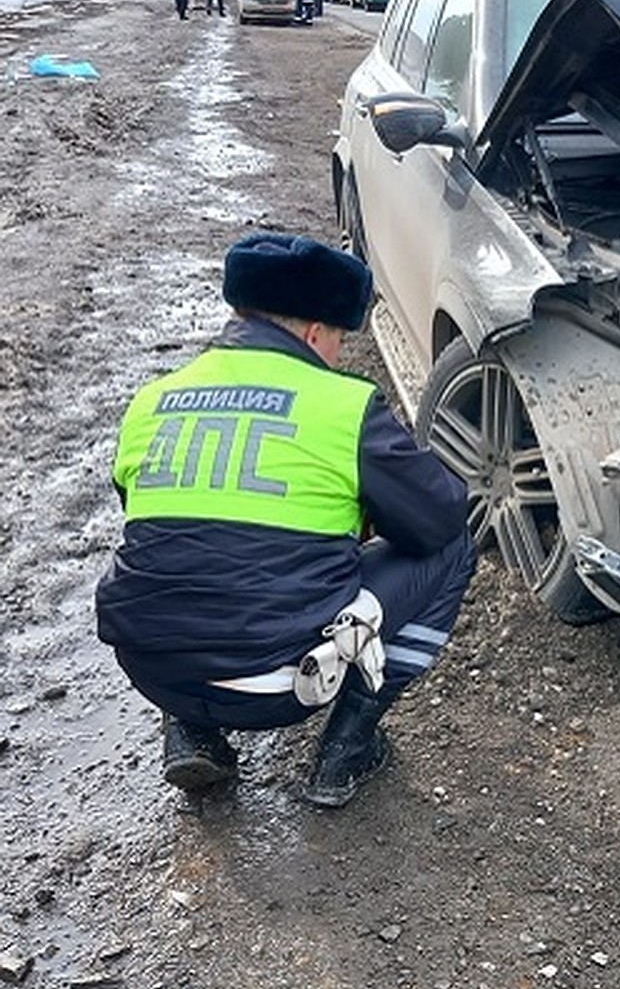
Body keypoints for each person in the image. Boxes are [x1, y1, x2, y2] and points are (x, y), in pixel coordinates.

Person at [95, 233, 476, 808]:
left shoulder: (154, 398)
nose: (339, 354)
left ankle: (189, 730)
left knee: (180, 557)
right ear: (316, 332)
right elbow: (439, 518)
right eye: (341, 339)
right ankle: (346, 748)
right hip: (280, 685)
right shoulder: (341, 406)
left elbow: (162, 524)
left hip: (148, 666)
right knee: (453, 551)